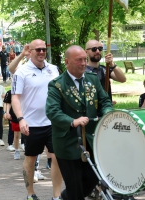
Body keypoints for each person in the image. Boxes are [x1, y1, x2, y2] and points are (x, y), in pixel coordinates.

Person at [46, 45, 113, 200]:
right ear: (67, 62)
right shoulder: (57, 85)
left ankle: (64, 197)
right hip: (68, 143)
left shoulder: (92, 79)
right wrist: (72, 121)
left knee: (93, 178)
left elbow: (104, 101)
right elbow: (52, 111)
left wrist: (108, 113)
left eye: (84, 59)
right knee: (75, 186)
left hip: (91, 140)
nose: (83, 63)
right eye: (79, 60)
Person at [11, 39, 62, 200]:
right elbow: (15, 98)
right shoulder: (22, 72)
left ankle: (56, 195)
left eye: (43, 49)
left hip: (53, 122)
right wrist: (21, 119)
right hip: (31, 124)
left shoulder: (54, 70)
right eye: (37, 49)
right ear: (30, 51)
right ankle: (30, 193)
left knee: (56, 157)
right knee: (31, 158)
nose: (41, 52)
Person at [85, 40, 126, 105]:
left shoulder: (105, 69)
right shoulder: (82, 72)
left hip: (107, 110)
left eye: (100, 49)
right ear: (86, 52)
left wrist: (112, 64)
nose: (98, 51)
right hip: (91, 112)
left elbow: (123, 79)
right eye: (94, 49)